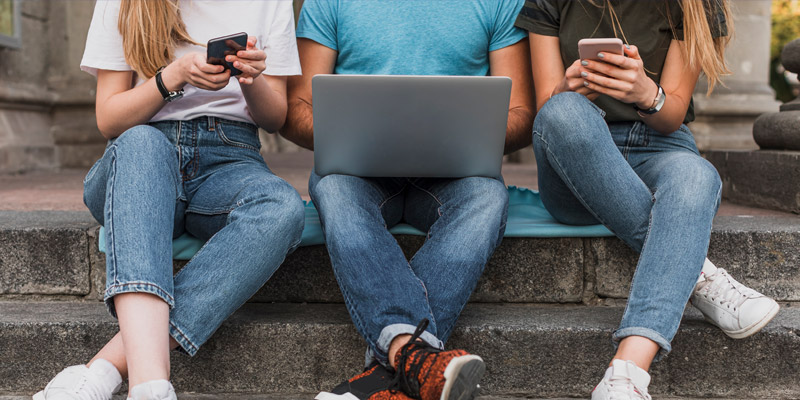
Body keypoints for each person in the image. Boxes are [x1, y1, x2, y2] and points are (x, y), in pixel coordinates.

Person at [34, 1, 304, 399]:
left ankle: (106, 370)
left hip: (230, 157)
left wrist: (251, 78)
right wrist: (170, 78)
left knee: (282, 207)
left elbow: (274, 117)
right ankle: (150, 384)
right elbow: (108, 118)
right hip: (139, 157)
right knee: (142, 142)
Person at [514, 0, 780, 398]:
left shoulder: (695, 5)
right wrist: (569, 88)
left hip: (658, 143)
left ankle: (627, 372)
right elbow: (547, 109)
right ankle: (699, 274)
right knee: (563, 109)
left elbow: (671, 114)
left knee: (697, 175)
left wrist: (646, 92)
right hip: (575, 152)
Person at [281, 1, 535, 399]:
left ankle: (389, 371)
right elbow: (296, 109)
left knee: (487, 197)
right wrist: (361, 137)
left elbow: (520, 112)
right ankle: (413, 360)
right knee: (333, 187)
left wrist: (454, 137)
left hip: (453, 175)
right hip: (358, 171)